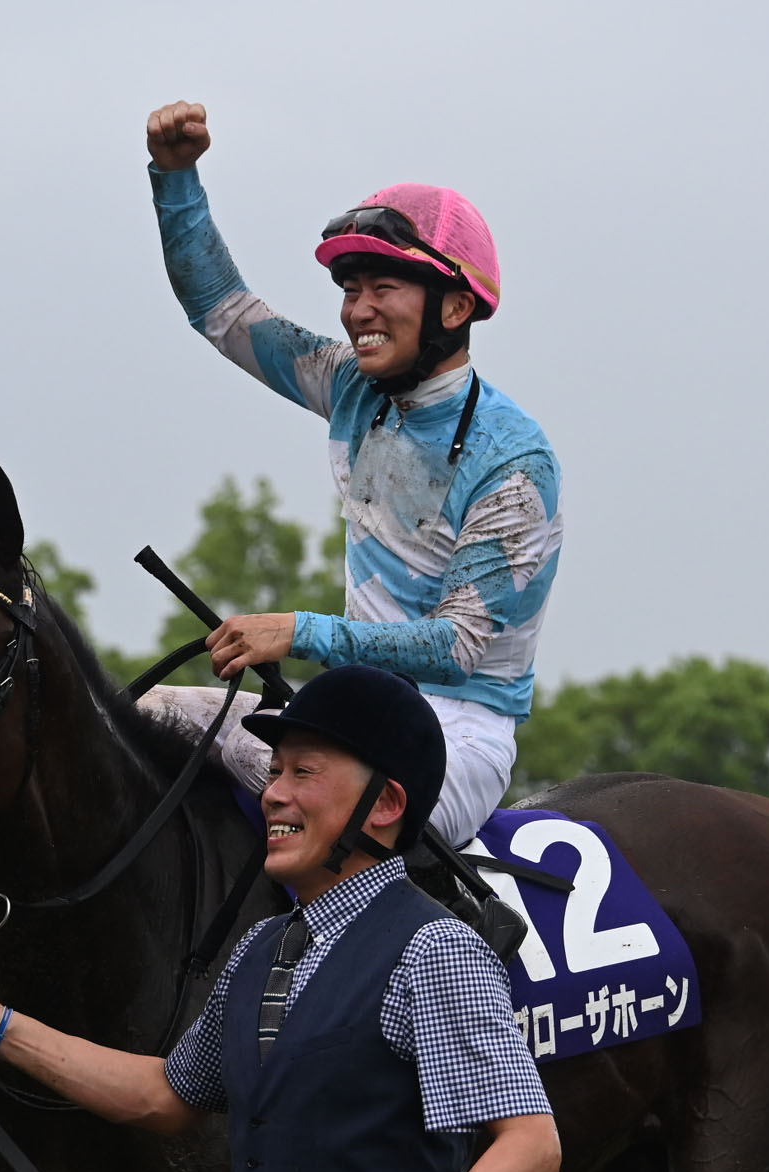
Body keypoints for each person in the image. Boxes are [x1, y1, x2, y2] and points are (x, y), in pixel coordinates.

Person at [0, 665, 560, 1172]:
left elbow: (531, 1144)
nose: (273, 795)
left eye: (301, 773)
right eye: (273, 771)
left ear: (385, 805)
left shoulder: (437, 950)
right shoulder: (260, 947)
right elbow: (163, 1093)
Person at [139, 99, 564, 848]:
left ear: (456, 305)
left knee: (323, 793)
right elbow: (222, 310)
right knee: (130, 723)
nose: (356, 310)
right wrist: (177, 179)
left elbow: (454, 646)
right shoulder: (351, 387)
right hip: (355, 707)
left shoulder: (514, 459)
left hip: (460, 733)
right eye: (349, 289)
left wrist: (296, 630)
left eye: (383, 289)